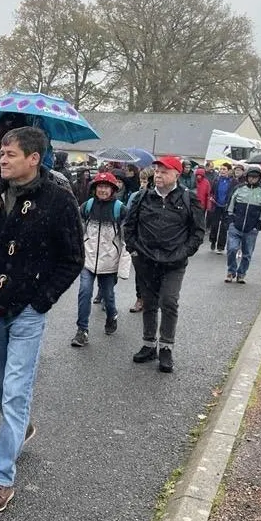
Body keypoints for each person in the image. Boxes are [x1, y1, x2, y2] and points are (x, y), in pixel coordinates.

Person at [0, 126, 84, 513]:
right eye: (0, 153)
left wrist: (42, 299)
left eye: (10, 154)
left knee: (16, 390)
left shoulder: (58, 200)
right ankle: (21, 426)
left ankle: (1, 478)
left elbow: (73, 259)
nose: (1, 159)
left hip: (27, 312)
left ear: (34, 158)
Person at [123, 156, 205, 374]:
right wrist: (134, 251)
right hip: (146, 261)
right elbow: (129, 227)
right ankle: (149, 344)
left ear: (176, 174)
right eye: (156, 171)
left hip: (174, 263)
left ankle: (166, 347)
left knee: (169, 301)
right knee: (149, 303)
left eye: (164, 171)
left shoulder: (189, 199)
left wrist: (183, 252)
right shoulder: (142, 198)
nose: (158, 175)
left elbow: (198, 232)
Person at [71, 171, 126, 347]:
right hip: (88, 259)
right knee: (84, 292)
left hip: (109, 262)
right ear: (94, 189)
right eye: (99, 187)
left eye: (106, 187)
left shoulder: (120, 209)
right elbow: (78, 225)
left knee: (108, 296)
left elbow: (126, 236)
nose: (102, 190)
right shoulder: (87, 206)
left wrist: (125, 259)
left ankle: (112, 316)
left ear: (113, 189)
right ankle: (82, 331)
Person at [225, 167, 261, 284]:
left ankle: (241, 274)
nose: (252, 179)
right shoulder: (238, 188)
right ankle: (231, 271)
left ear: (259, 178)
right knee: (231, 249)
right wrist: (230, 220)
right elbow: (230, 204)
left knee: (247, 254)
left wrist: (259, 225)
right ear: (247, 177)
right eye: (250, 176)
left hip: (251, 229)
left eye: (255, 177)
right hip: (235, 226)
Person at [127, 167, 153, 314]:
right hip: (138, 241)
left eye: (145, 181)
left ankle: (151, 298)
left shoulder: (157, 197)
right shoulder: (135, 196)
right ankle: (140, 298)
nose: (142, 184)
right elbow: (128, 218)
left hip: (153, 242)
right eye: (141, 180)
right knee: (140, 273)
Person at [207, 163, 236, 254]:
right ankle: (213, 241)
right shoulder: (216, 180)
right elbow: (211, 192)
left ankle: (220, 246)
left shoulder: (233, 182)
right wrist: (211, 197)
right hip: (216, 205)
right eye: (221, 169)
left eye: (224, 169)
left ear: (229, 171)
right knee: (214, 225)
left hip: (226, 207)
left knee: (224, 227)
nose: (222, 171)